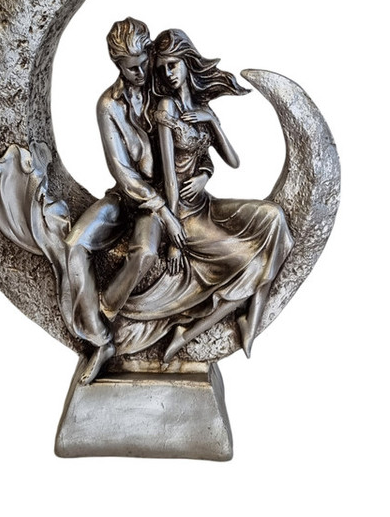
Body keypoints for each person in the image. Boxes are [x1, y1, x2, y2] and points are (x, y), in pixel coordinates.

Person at [116, 29, 294, 360]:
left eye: (173, 65)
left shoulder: (200, 107)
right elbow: (169, 175)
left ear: (187, 62)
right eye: (163, 68)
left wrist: (211, 127)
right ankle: (190, 333)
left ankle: (252, 318)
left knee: (275, 219)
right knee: (247, 258)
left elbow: (232, 161)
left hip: (204, 203)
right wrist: (173, 239)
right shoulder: (166, 108)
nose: (168, 73)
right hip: (182, 211)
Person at [64, 18, 186, 384]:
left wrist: (171, 205)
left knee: (144, 252)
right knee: (75, 244)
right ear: (117, 65)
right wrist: (160, 210)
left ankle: (106, 309)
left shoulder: (163, 89)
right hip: (128, 194)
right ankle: (100, 339)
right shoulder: (108, 105)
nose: (140, 72)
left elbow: (193, 141)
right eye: (131, 68)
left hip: (163, 193)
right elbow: (122, 170)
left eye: (143, 62)